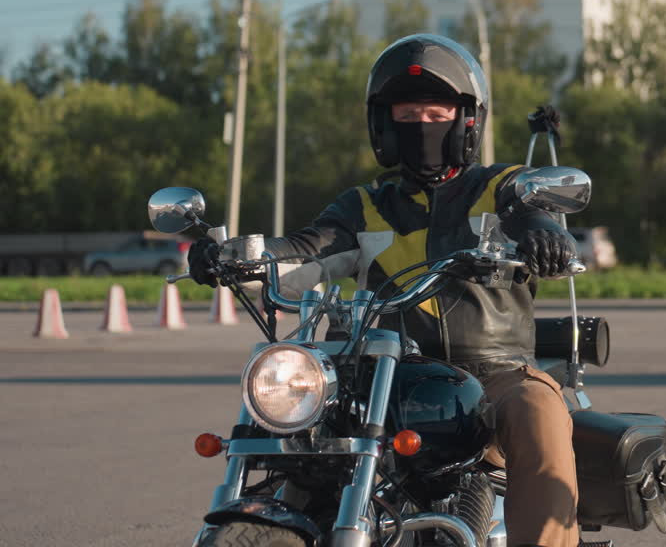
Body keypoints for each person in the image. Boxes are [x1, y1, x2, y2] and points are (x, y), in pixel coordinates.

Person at [189, 34, 582, 547]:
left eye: (435, 107)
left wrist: (546, 235)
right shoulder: (364, 206)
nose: (421, 120)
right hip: (382, 371)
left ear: (467, 118)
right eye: (406, 109)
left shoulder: (502, 186)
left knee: (540, 415)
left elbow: (534, 212)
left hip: (494, 371)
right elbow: (304, 253)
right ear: (383, 121)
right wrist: (236, 258)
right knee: (298, 433)